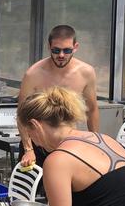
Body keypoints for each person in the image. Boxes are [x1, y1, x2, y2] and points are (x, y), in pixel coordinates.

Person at [17, 25, 99, 169]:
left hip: (68, 144)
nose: (61, 55)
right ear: (49, 47)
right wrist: (28, 149)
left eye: (67, 50)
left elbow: (91, 110)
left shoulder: (86, 72)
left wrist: (96, 143)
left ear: (75, 47)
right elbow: (21, 113)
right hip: (37, 145)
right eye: (56, 50)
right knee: (31, 190)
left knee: (70, 189)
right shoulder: (33, 74)